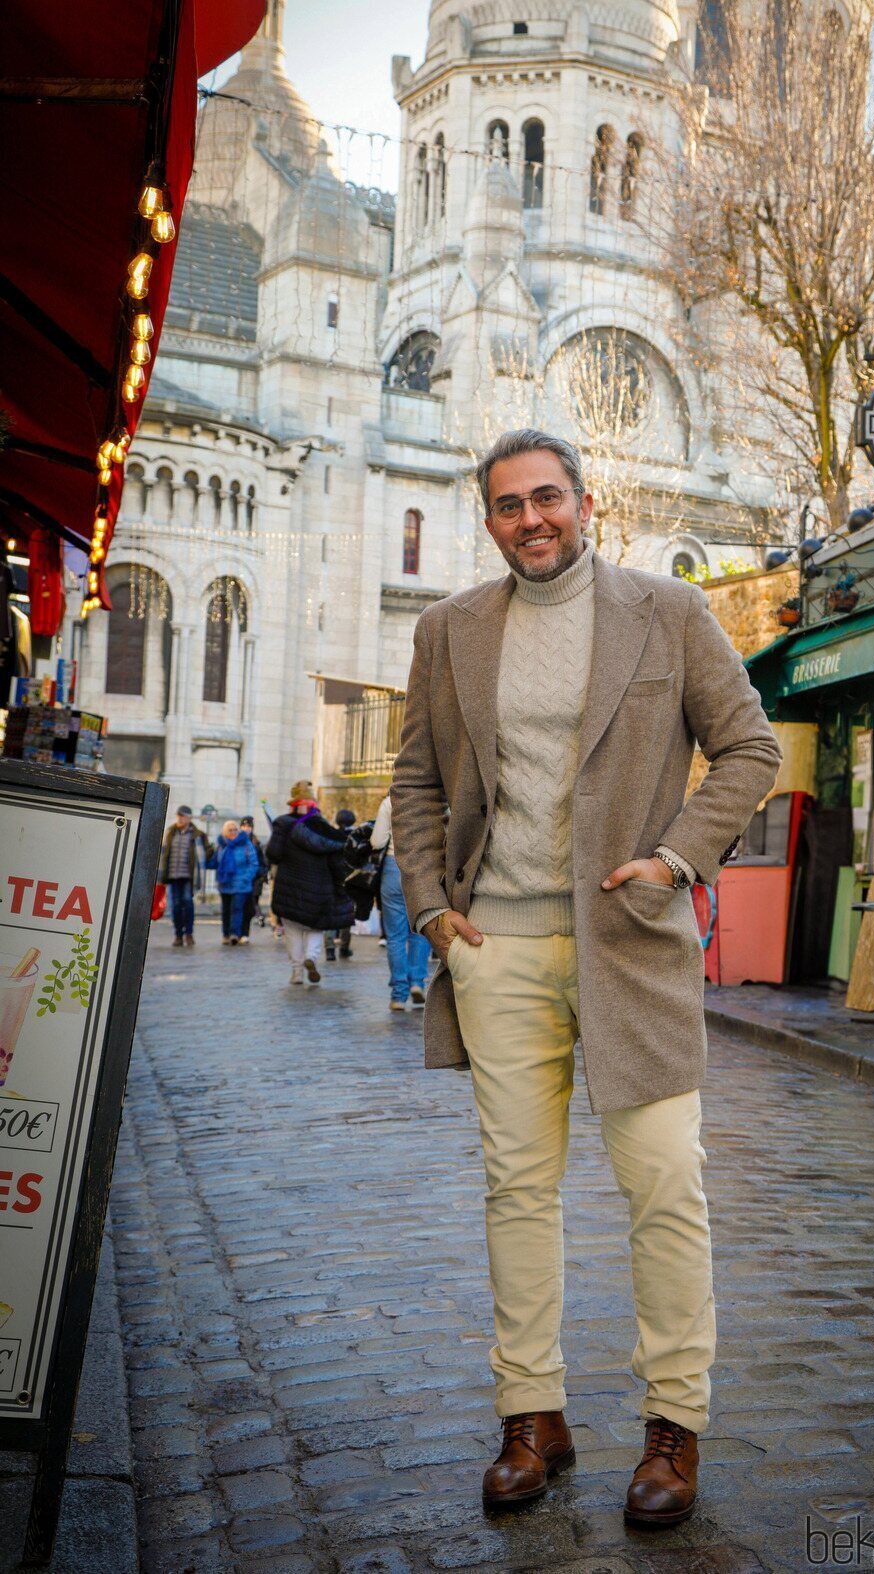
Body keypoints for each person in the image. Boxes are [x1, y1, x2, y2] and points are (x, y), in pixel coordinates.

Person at [391, 429, 781, 1524]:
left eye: (547, 498)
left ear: (585, 501)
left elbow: (750, 749)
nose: (531, 520)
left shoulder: (669, 612)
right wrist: (429, 903)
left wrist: (673, 858)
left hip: (631, 945)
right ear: (488, 520)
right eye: (508, 505)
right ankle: (532, 1412)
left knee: (664, 1184)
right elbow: (415, 775)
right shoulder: (447, 629)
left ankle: (672, 1423)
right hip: (496, 948)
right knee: (517, 1189)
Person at [266, 781, 355, 985]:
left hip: (289, 885)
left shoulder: (282, 823)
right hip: (319, 886)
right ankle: (311, 957)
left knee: (292, 929)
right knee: (316, 927)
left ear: (293, 804)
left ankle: (297, 972)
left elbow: (273, 854)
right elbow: (335, 859)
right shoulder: (323, 827)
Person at [371, 794, 431, 1011]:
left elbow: (376, 841)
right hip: (424, 867)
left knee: (395, 936)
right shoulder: (433, 798)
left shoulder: (389, 802)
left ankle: (398, 994)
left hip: (393, 865)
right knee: (421, 929)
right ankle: (417, 982)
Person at [156, 804, 211, 948]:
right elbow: (162, 854)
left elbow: (207, 851)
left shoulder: (198, 835)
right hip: (172, 876)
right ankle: (178, 935)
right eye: (178, 816)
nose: (179, 819)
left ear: (189, 818)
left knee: (187, 903)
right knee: (175, 906)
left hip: (188, 876)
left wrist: (205, 858)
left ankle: (189, 934)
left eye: (182, 816)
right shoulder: (170, 832)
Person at [209, 820, 259, 946]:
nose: (233, 832)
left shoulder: (246, 843)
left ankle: (234, 934)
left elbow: (254, 863)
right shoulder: (221, 845)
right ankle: (225, 935)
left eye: (235, 830)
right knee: (226, 910)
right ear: (225, 832)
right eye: (230, 830)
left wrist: (246, 878)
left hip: (241, 884)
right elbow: (214, 862)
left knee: (236, 909)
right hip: (225, 883)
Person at [324, 807, 357, 962]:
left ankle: (329, 949)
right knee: (347, 914)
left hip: (331, 879)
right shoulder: (355, 837)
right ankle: (344, 946)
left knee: (330, 914)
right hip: (349, 879)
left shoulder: (331, 835)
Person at [239, 815, 268, 943]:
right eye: (244, 826)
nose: (247, 828)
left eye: (249, 826)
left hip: (254, 881)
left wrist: (260, 875)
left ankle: (245, 933)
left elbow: (263, 864)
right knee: (238, 907)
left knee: (250, 909)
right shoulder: (236, 841)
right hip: (240, 881)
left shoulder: (256, 844)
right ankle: (236, 932)